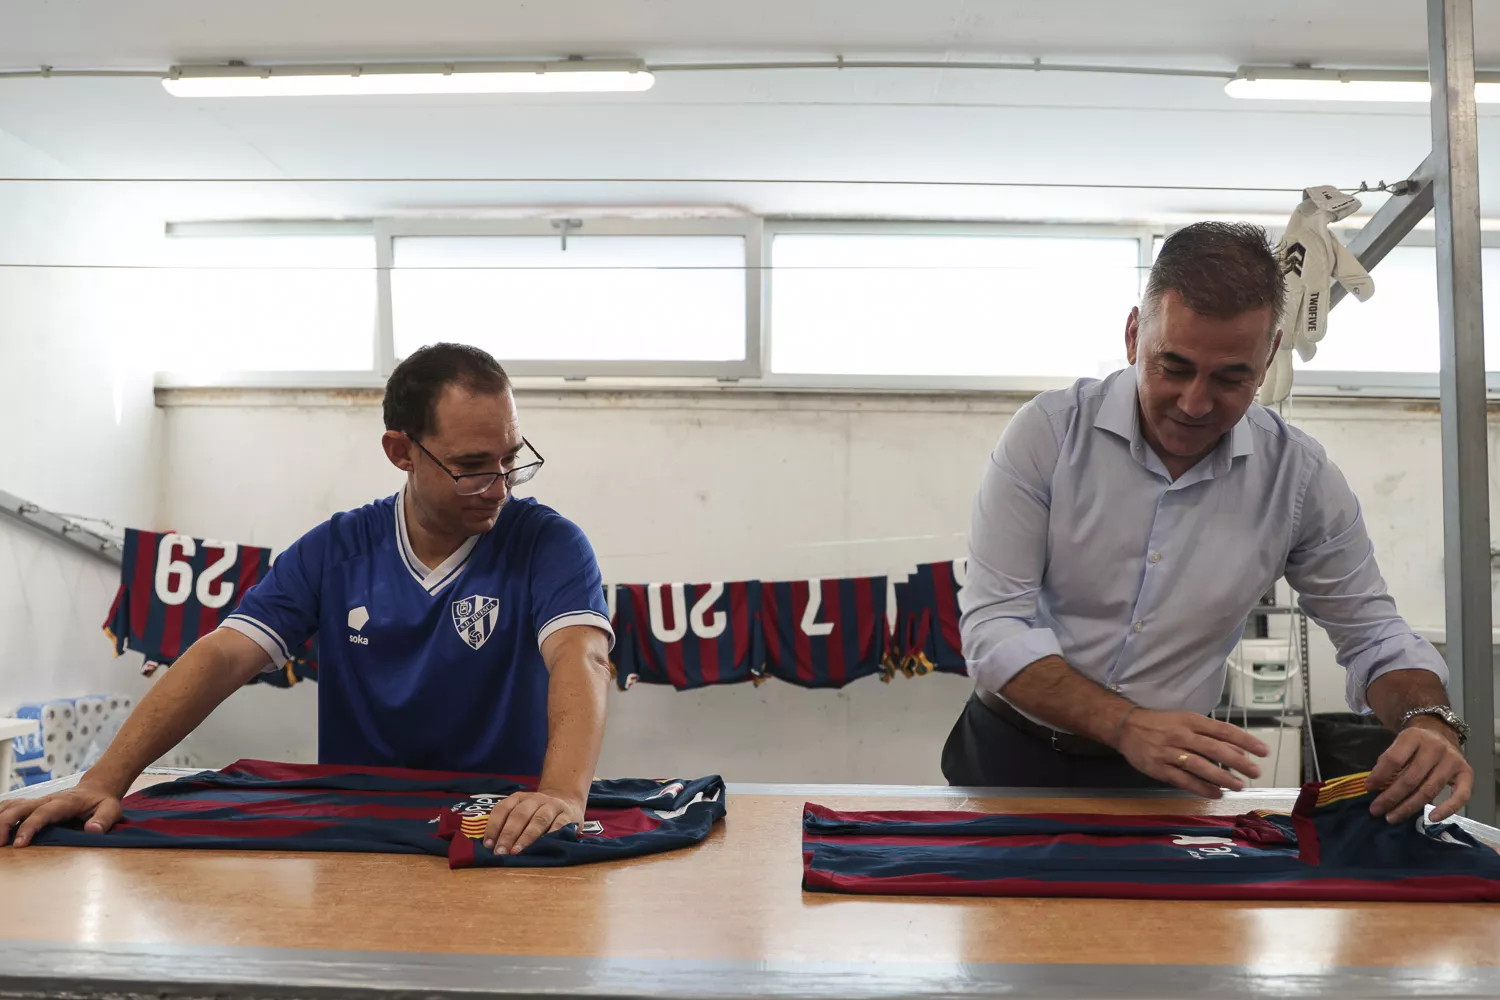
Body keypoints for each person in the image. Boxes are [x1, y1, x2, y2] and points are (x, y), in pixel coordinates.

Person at [943, 222, 1473, 824]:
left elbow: (1374, 635)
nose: (1195, 403)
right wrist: (1125, 724)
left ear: (1268, 358)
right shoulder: (1049, 434)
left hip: (1165, 775)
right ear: (1133, 335)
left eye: (1230, 377)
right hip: (1007, 754)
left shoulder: (1297, 478)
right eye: (1173, 366)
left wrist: (1429, 721)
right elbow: (995, 627)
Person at [2, 343, 614, 856]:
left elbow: (580, 656)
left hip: (500, 827)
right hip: (358, 834)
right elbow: (223, 656)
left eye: (511, 460)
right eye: (473, 466)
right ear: (401, 452)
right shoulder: (334, 551)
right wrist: (104, 780)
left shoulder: (549, 544)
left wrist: (561, 793)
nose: (500, 487)